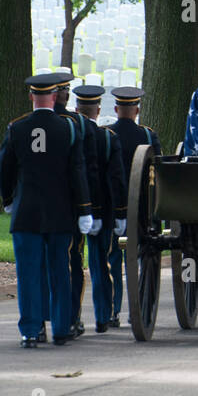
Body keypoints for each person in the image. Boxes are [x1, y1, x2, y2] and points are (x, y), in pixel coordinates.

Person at [0, 73, 92, 347]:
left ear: (31, 97)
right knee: (60, 271)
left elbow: (4, 168)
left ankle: (31, 330)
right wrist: (84, 208)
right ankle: (61, 328)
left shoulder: (17, 128)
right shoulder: (69, 128)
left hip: (27, 212)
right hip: (61, 212)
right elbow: (77, 171)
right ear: (54, 97)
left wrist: (8, 200)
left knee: (29, 274)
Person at [72, 85, 127, 333]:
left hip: (72, 209)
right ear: (99, 110)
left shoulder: (69, 133)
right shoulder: (107, 137)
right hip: (103, 211)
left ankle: (72, 317)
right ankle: (105, 315)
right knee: (102, 264)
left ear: (76, 109)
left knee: (71, 264)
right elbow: (116, 179)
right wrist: (121, 212)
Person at [107, 86, 161, 327]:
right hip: (141, 208)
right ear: (137, 110)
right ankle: (136, 310)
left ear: (117, 109)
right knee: (138, 260)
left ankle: (112, 310)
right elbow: (156, 174)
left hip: (113, 205)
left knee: (112, 260)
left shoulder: (106, 133)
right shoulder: (148, 136)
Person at [53, 73, 100, 338]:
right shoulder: (79, 124)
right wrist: (89, 207)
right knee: (73, 261)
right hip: (71, 206)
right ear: (65, 96)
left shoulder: (23, 125)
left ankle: (39, 321)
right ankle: (72, 317)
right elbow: (87, 169)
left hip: (38, 209)